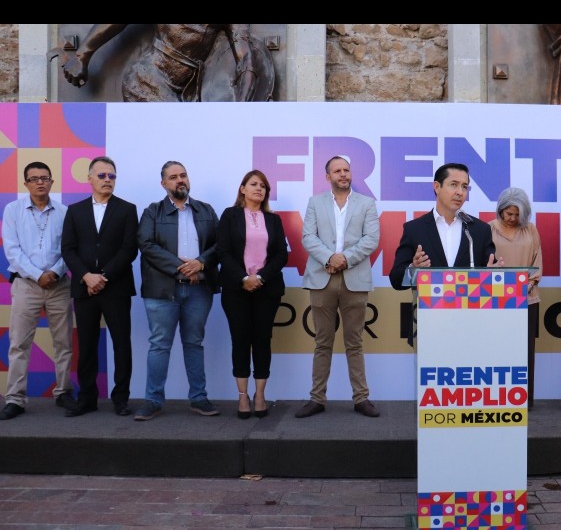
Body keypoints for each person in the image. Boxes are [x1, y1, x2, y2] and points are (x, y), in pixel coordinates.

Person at [134, 161, 221, 422]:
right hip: (162, 290)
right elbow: (146, 245)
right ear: (164, 184)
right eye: (173, 177)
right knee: (159, 345)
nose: (180, 180)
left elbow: (221, 244)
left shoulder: (206, 210)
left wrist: (200, 263)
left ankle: (199, 398)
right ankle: (153, 401)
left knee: (194, 343)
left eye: (183, 175)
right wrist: (182, 268)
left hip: (198, 289)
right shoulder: (152, 212)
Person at [296, 156, 380, 418]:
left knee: (355, 342)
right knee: (323, 342)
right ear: (328, 177)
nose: (343, 174)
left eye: (346, 170)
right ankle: (317, 399)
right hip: (322, 277)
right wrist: (329, 258)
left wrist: (344, 259)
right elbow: (308, 236)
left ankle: (361, 398)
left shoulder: (367, 203)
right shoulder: (315, 202)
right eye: (337, 171)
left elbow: (371, 239)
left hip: (355, 278)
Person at [61, 156, 139, 417]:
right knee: (86, 344)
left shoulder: (127, 209)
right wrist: (87, 276)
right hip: (84, 288)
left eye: (112, 176)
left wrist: (102, 276)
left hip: (116, 287)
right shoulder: (75, 211)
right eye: (102, 175)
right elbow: (68, 249)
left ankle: (121, 399)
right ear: (89, 179)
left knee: (121, 344)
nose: (108, 180)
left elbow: (129, 249)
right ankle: (87, 398)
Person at [0, 162, 75, 420]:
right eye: (34, 179)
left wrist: (54, 272)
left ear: (52, 182)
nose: (40, 182)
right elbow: (12, 249)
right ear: (26, 184)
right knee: (19, 343)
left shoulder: (64, 212)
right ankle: (15, 399)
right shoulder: (12, 210)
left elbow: (69, 248)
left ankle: (63, 391)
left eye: (44, 178)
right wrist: (37, 274)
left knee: (63, 343)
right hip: (25, 284)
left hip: (59, 285)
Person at [216, 170, 288, 419]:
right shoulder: (230, 215)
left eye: (263, 186)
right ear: (242, 189)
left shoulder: (273, 220)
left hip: (267, 289)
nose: (259, 189)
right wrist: (243, 278)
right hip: (236, 290)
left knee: (262, 340)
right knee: (240, 340)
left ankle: (260, 395)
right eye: (254, 184)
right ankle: (242, 396)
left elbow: (281, 254)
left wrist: (261, 277)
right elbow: (223, 251)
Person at [60, 24, 259, 102]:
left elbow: (246, 59)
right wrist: (81, 55)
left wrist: (242, 106)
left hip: (187, 93)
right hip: (147, 80)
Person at [390, 162, 503, 291]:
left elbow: (491, 271)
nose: (460, 192)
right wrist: (413, 269)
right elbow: (396, 280)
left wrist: (493, 275)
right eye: (454, 184)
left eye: (464, 187)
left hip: (470, 302)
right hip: (429, 303)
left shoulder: (479, 230)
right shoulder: (414, 229)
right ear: (437, 187)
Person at [489, 187, 542, 410]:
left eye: (517, 214)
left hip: (527, 299)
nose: (512, 218)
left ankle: (524, 401)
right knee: (496, 349)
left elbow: (537, 261)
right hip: (494, 300)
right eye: (508, 213)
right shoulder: (488, 229)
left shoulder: (530, 229)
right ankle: (495, 398)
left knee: (525, 350)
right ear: (500, 210)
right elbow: (484, 264)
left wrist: (529, 284)